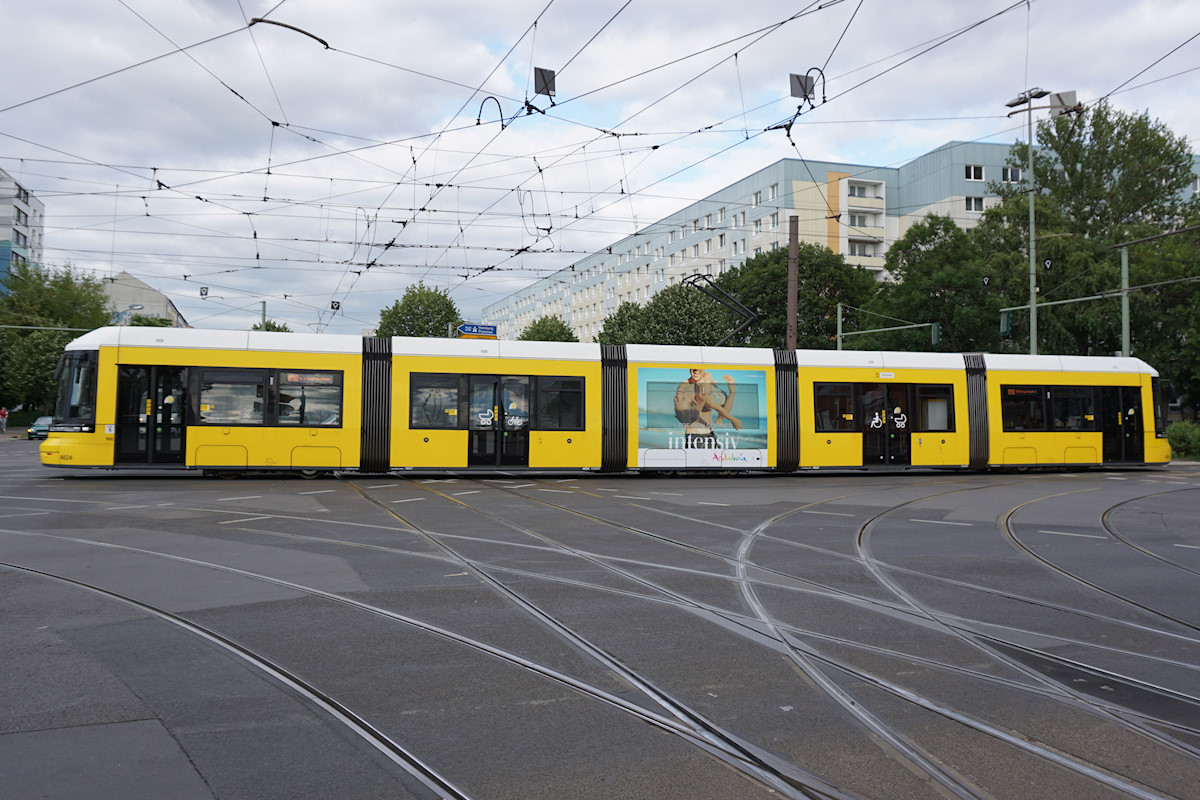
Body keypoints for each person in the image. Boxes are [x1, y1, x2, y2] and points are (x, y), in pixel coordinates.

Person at [673, 369, 742, 432]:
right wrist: (732, 419)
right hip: (698, 434)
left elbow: (722, 412)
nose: (679, 396)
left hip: (708, 433)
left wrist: (732, 392)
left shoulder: (704, 384)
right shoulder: (699, 395)